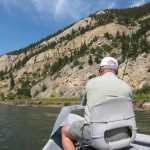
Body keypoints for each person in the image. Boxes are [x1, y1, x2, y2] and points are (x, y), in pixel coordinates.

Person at [61, 57, 132, 150]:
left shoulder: (91, 83)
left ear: (101, 70)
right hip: (123, 135)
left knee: (64, 131)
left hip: (97, 135)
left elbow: (83, 103)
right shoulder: (127, 87)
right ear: (117, 71)